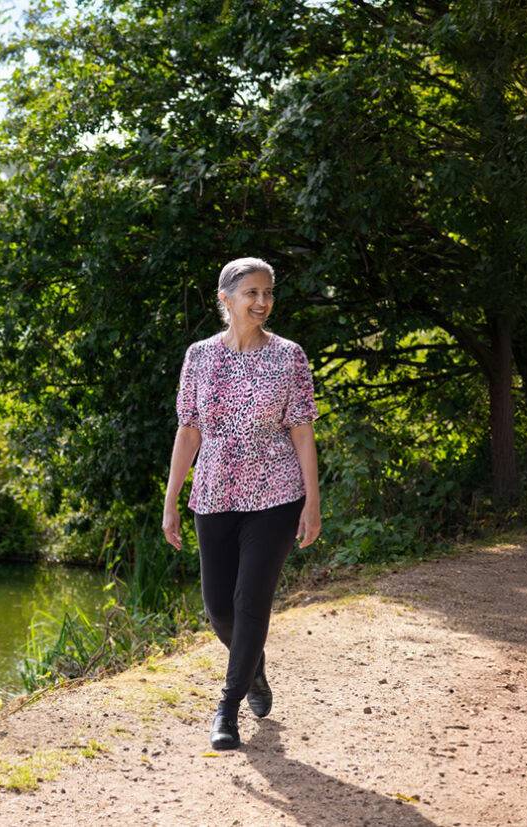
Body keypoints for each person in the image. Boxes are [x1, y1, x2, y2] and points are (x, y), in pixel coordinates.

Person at [162, 256, 321, 751]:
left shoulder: (289, 356)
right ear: (225, 299)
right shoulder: (199, 356)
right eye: (251, 293)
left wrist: (312, 501)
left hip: (275, 495)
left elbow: (301, 430)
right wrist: (171, 502)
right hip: (214, 494)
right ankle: (253, 665)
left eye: (268, 293)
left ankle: (226, 709)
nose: (262, 302)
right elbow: (188, 431)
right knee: (218, 609)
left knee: (250, 603)